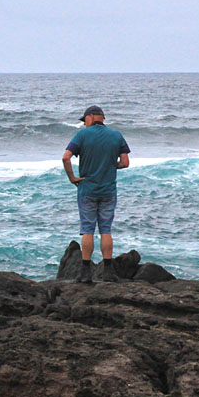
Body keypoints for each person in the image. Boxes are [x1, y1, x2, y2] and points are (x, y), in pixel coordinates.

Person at [62, 106, 131, 283]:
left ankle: (85, 273)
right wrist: (110, 165)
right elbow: (125, 162)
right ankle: (107, 271)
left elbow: (66, 157)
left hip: (87, 189)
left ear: (91, 117)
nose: (84, 123)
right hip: (108, 189)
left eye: (84, 120)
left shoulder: (83, 136)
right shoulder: (116, 135)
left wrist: (72, 178)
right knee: (106, 229)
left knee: (87, 229)